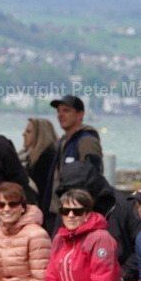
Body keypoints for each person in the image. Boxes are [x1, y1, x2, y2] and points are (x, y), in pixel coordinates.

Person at [55, 160, 141, 281]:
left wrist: (121, 275)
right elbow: (56, 256)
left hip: (118, 279)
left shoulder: (126, 206)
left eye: (81, 197)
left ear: (93, 192)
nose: (71, 213)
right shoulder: (68, 210)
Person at [45, 94, 102, 222]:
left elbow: (93, 177)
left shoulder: (86, 140)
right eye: (58, 111)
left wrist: (83, 209)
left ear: (80, 114)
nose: (60, 115)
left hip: (75, 212)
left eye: (66, 110)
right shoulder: (63, 141)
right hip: (59, 210)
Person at [20, 117, 57, 211]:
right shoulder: (28, 157)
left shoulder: (46, 159)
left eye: (28, 132)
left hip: (41, 212)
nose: (23, 134)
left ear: (40, 135)